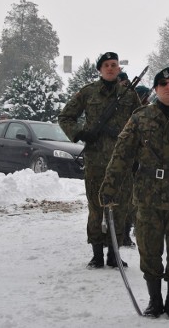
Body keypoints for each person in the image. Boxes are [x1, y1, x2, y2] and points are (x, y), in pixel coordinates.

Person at [99, 66, 169, 320]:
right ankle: (154, 301)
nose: (168, 87)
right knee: (149, 249)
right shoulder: (140, 118)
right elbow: (121, 155)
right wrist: (109, 188)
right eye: (163, 84)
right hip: (147, 196)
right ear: (155, 89)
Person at [58, 51, 140, 269]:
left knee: (121, 207)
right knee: (96, 208)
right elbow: (65, 117)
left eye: (114, 65)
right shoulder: (88, 93)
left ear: (119, 68)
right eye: (106, 65)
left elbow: (142, 123)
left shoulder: (130, 96)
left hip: (122, 161)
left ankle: (114, 253)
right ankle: (96, 254)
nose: (111, 68)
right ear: (100, 70)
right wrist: (81, 133)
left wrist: (137, 152)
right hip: (95, 160)